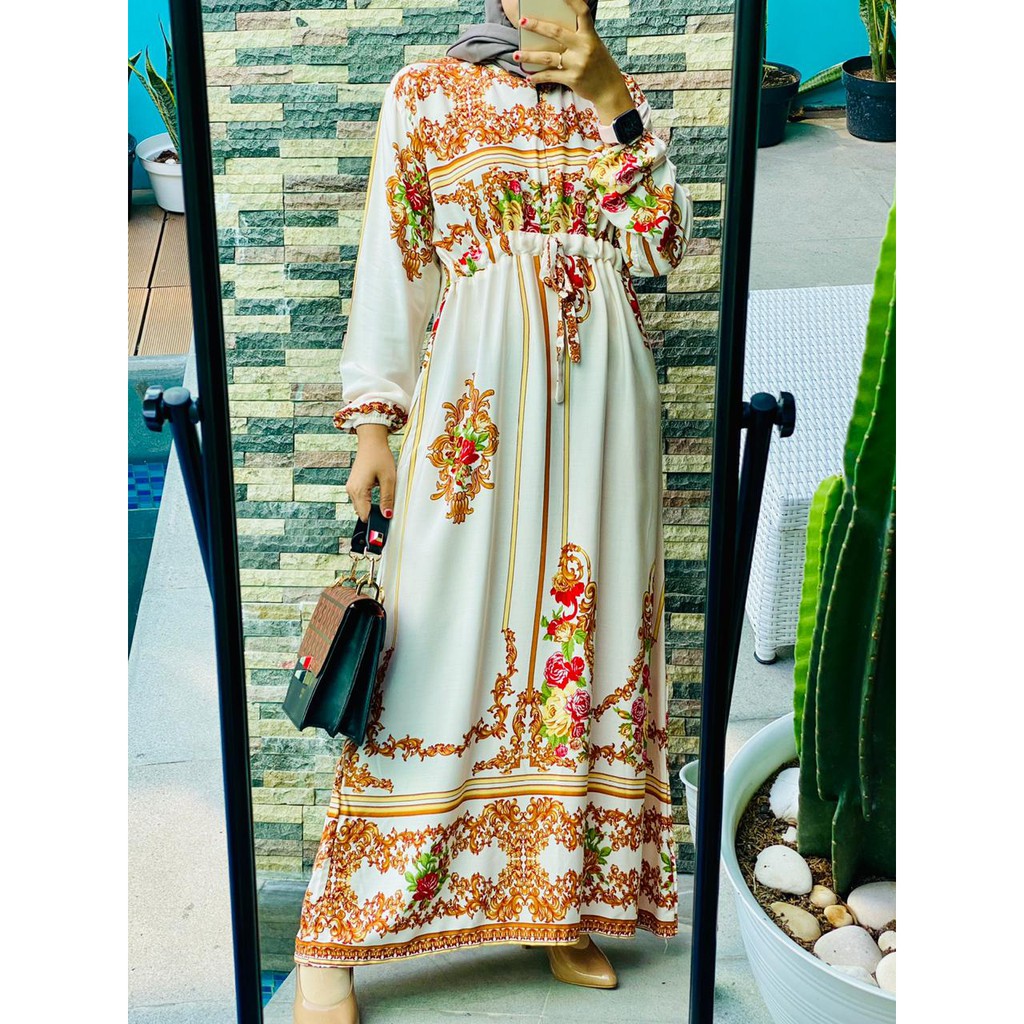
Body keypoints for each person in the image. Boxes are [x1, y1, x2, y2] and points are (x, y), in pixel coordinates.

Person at [292, 1, 693, 1019]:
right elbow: (394, 259)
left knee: (587, 646)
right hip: (475, 408)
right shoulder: (425, 93)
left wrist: (610, 98)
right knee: (431, 647)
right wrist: (374, 425)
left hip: (604, 417)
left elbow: (660, 250)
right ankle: (335, 937)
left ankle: (552, 903)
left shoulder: (617, 96)